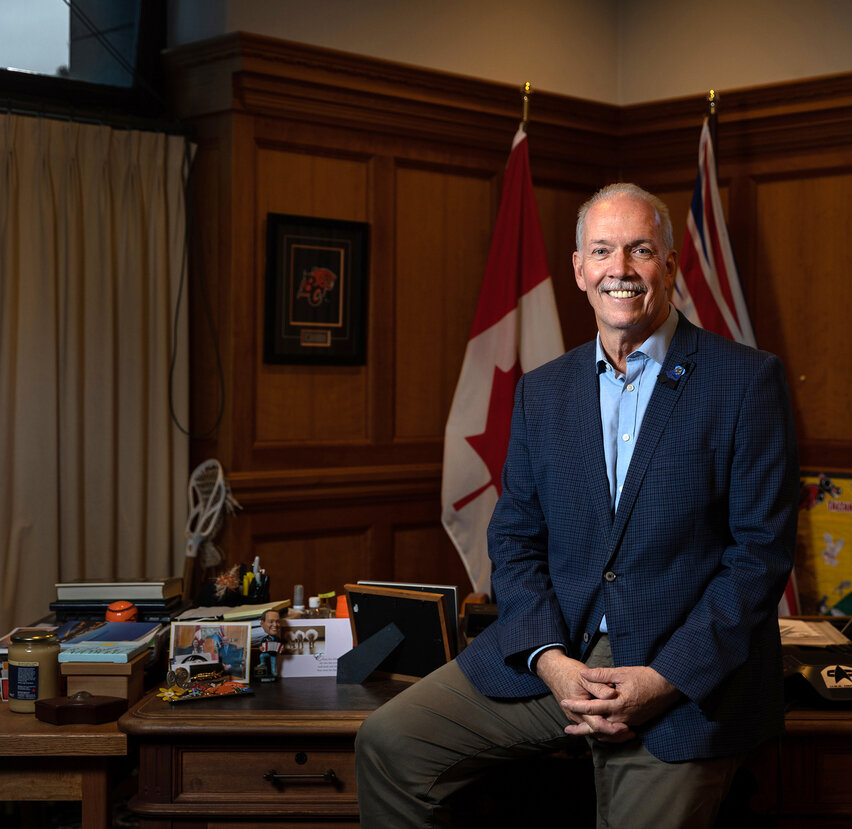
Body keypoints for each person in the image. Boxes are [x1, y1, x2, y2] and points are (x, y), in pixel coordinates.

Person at [355, 182, 800, 827]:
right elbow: (515, 539)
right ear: (578, 269)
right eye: (602, 252)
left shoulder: (746, 380)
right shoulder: (545, 390)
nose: (619, 270)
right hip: (556, 660)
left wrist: (663, 679)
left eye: (639, 250)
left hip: (679, 676)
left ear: (669, 263)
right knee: (389, 744)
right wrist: (551, 661)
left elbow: (759, 558)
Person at [257, 609, 283, 681]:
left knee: (273, 663)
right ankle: (262, 663)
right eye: (271, 622)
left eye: (277, 622)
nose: (275, 625)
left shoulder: (278, 639)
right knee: (261, 656)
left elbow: (281, 646)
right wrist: (261, 648)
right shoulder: (265, 639)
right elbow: (261, 645)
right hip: (267, 653)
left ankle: (273, 672)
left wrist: (281, 649)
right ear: (262, 624)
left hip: (273, 654)